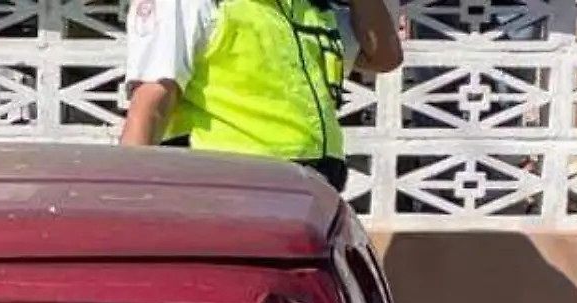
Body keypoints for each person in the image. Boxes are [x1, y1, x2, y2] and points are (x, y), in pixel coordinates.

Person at [120, 0, 403, 192]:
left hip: (311, 191)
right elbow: (151, 102)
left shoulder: (305, 8)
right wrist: (128, 206)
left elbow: (384, 56)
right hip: (227, 188)